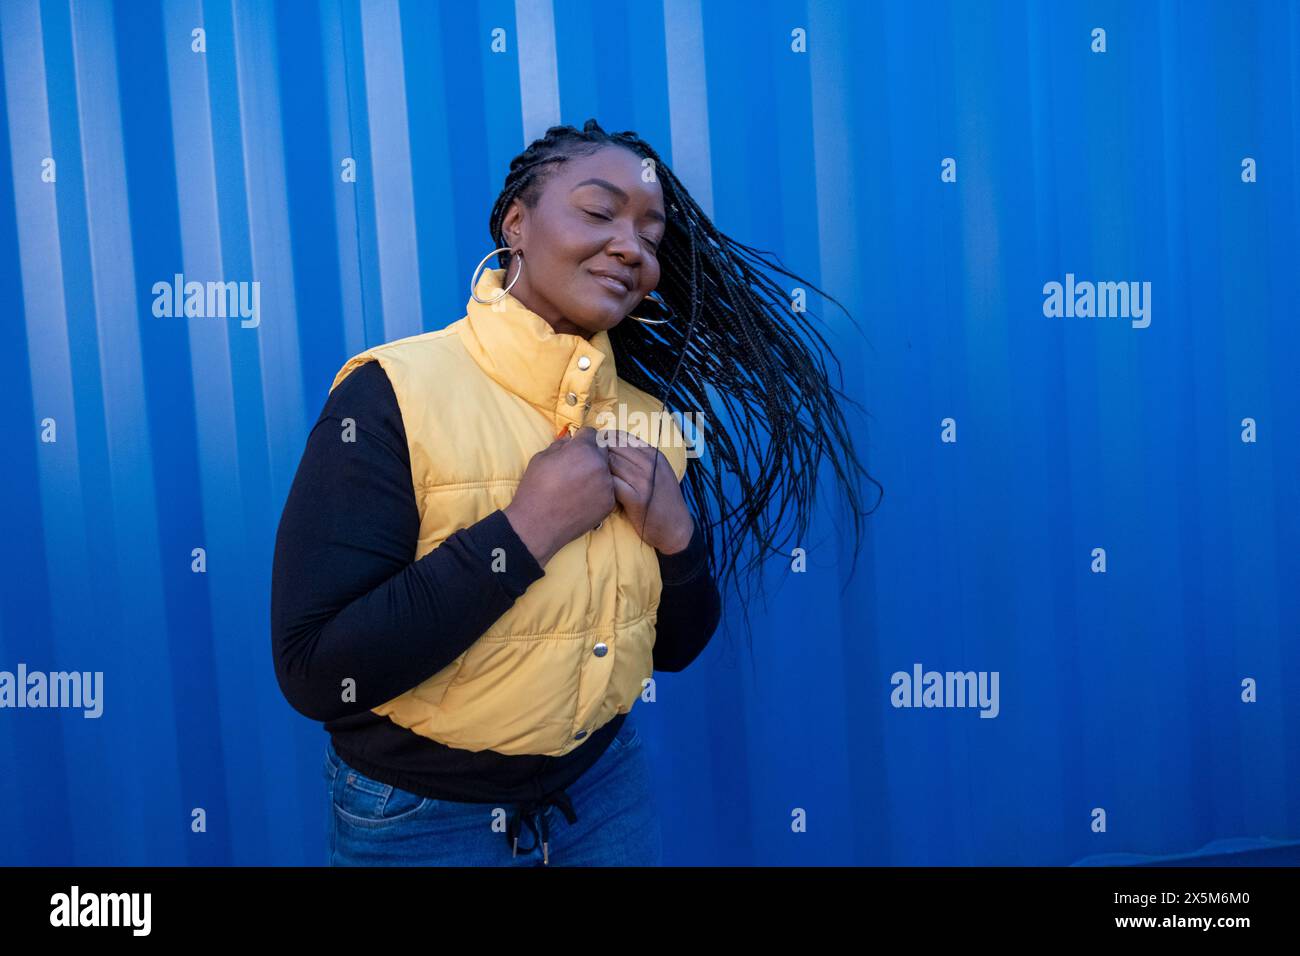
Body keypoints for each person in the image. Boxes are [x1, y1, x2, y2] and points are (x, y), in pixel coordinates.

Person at [270, 119, 880, 866]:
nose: (632, 247)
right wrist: (523, 534)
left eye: (652, 238)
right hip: (418, 820)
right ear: (516, 224)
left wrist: (679, 542)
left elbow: (676, 647)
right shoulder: (392, 394)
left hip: (601, 797)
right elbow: (317, 672)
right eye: (599, 212)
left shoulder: (651, 423)